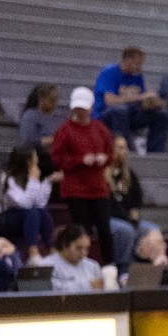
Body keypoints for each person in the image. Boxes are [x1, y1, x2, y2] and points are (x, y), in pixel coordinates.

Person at [51, 88, 117, 265]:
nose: (81, 112)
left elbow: (111, 154)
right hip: (76, 190)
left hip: (98, 188)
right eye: (78, 108)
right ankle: (84, 265)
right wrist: (80, 160)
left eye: (84, 108)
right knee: (83, 231)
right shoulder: (64, 130)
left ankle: (109, 267)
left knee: (105, 230)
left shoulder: (100, 129)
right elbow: (57, 158)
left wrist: (104, 159)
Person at [94, 46, 168, 154]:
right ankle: (128, 151)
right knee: (120, 110)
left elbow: (141, 101)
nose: (140, 67)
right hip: (106, 115)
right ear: (128, 60)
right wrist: (140, 97)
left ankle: (155, 153)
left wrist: (153, 102)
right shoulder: (109, 72)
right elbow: (109, 101)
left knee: (161, 115)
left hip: (129, 115)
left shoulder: (137, 76)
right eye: (138, 63)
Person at [0, 146, 56, 258]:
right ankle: (33, 252)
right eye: (35, 158)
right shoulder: (5, 177)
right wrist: (33, 180)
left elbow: (40, 204)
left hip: (21, 217)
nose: (37, 160)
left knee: (42, 213)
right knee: (32, 213)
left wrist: (47, 182)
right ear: (28, 162)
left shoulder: (30, 176)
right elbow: (23, 204)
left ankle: (52, 250)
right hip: (1, 219)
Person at [104, 138, 158, 271]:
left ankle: (147, 268)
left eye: (126, 147)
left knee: (152, 229)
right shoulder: (102, 175)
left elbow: (137, 198)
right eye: (121, 148)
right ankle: (123, 270)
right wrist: (128, 218)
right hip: (107, 218)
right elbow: (108, 204)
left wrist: (135, 210)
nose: (125, 151)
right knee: (126, 230)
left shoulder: (129, 174)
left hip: (127, 218)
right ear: (111, 150)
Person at [18, 85, 66, 174]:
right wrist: (51, 140)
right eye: (51, 100)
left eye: (55, 100)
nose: (54, 103)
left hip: (55, 155)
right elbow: (28, 140)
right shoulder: (30, 116)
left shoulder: (59, 117)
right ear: (41, 99)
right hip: (38, 157)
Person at [46, 225, 105, 292]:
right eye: (78, 248)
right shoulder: (47, 265)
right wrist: (88, 285)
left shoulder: (93, 266)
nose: (83, 253)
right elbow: (51, 290)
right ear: (64, 244)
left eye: (87, 249)